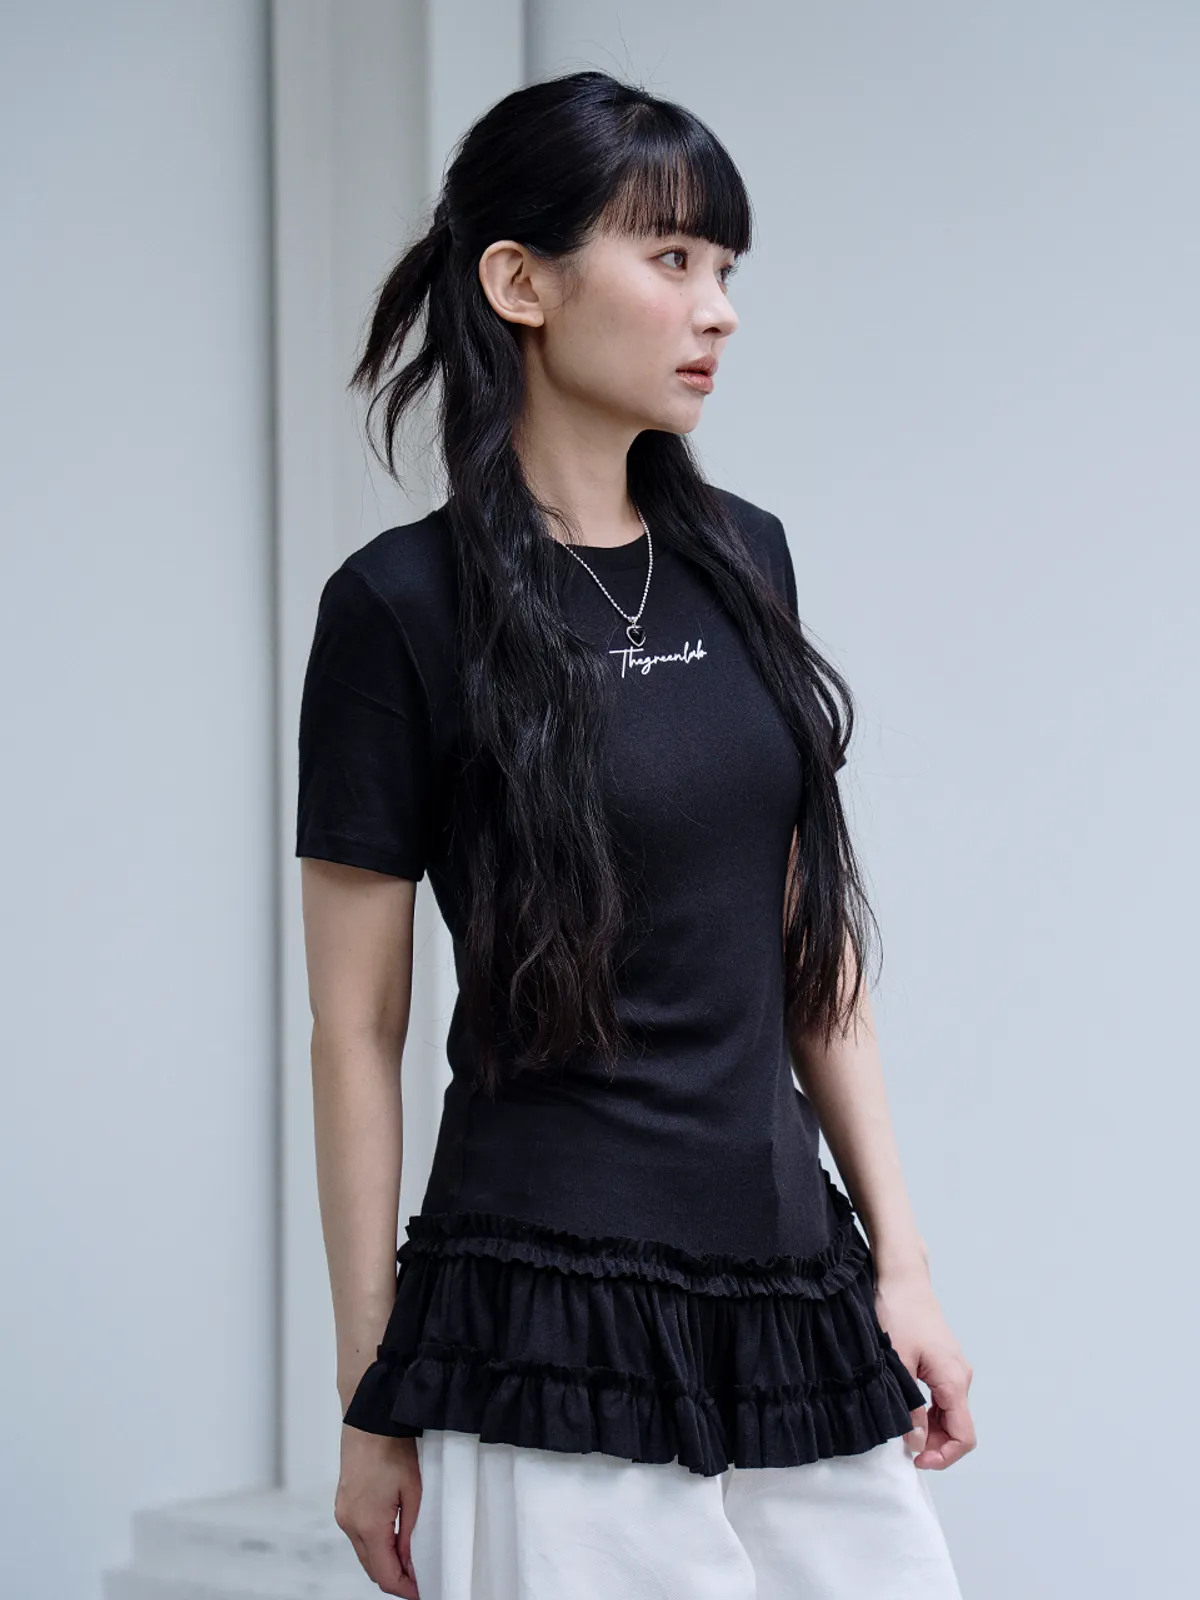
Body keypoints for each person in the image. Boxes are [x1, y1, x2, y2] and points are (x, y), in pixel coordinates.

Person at [295, 68, 974, 1600]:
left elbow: (806, 952)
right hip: (548, 1310)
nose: (716, 309)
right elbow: (356, 1030)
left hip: (791, 1287)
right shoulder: (399, 608)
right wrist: (370, 1389)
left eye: (724, 268)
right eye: (671, 258)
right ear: (520, 283)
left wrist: (903, 1264)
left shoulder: (746, 560)